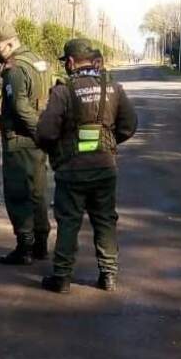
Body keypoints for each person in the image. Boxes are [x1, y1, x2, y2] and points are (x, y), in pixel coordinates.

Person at [36, 39, 137, 293]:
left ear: (70, 63)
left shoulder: (63, 91)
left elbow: (46, 132)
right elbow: (129, 125)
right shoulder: (114, 88)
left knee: (69, 221)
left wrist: (57, 149)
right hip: (105, 166)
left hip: (71, 169)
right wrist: (109, 142)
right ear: (93, 60)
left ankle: (62, 277)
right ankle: (109, 276)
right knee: (105, 220)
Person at [0, 24, 51, 265]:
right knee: (38, 193)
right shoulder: (37, 60)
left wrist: (39, 131)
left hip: (21, 139)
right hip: (37, 140)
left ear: (11, 43)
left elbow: (20, 107)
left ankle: (25, 247)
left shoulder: (14, 69)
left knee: (18, 194)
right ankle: (41, 245)